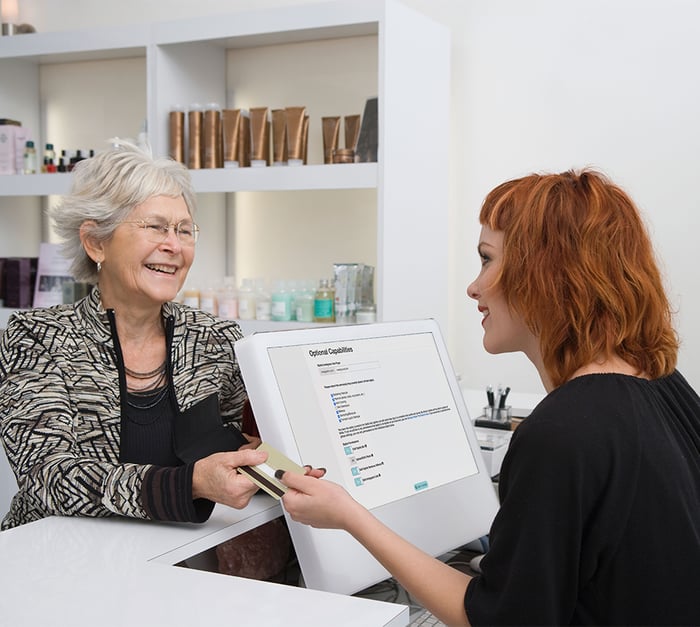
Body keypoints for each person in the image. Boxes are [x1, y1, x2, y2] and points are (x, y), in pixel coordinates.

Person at [276, 169, 700, 626]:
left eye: (487, 259)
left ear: (547, 271)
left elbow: (492, 619)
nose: (474, 287)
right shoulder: (663, 383)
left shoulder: (562, 433)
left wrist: (348, 516)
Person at [0, 141, 270, 531]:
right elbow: (47, 478)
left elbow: (227, 447)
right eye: (155, 227)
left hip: (172, 554)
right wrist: (189, 485)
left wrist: (259, 461)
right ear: (95, 242)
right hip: (55, 561)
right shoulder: (36, 338)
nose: (173, 246)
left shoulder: (215, 338)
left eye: (183, 230)